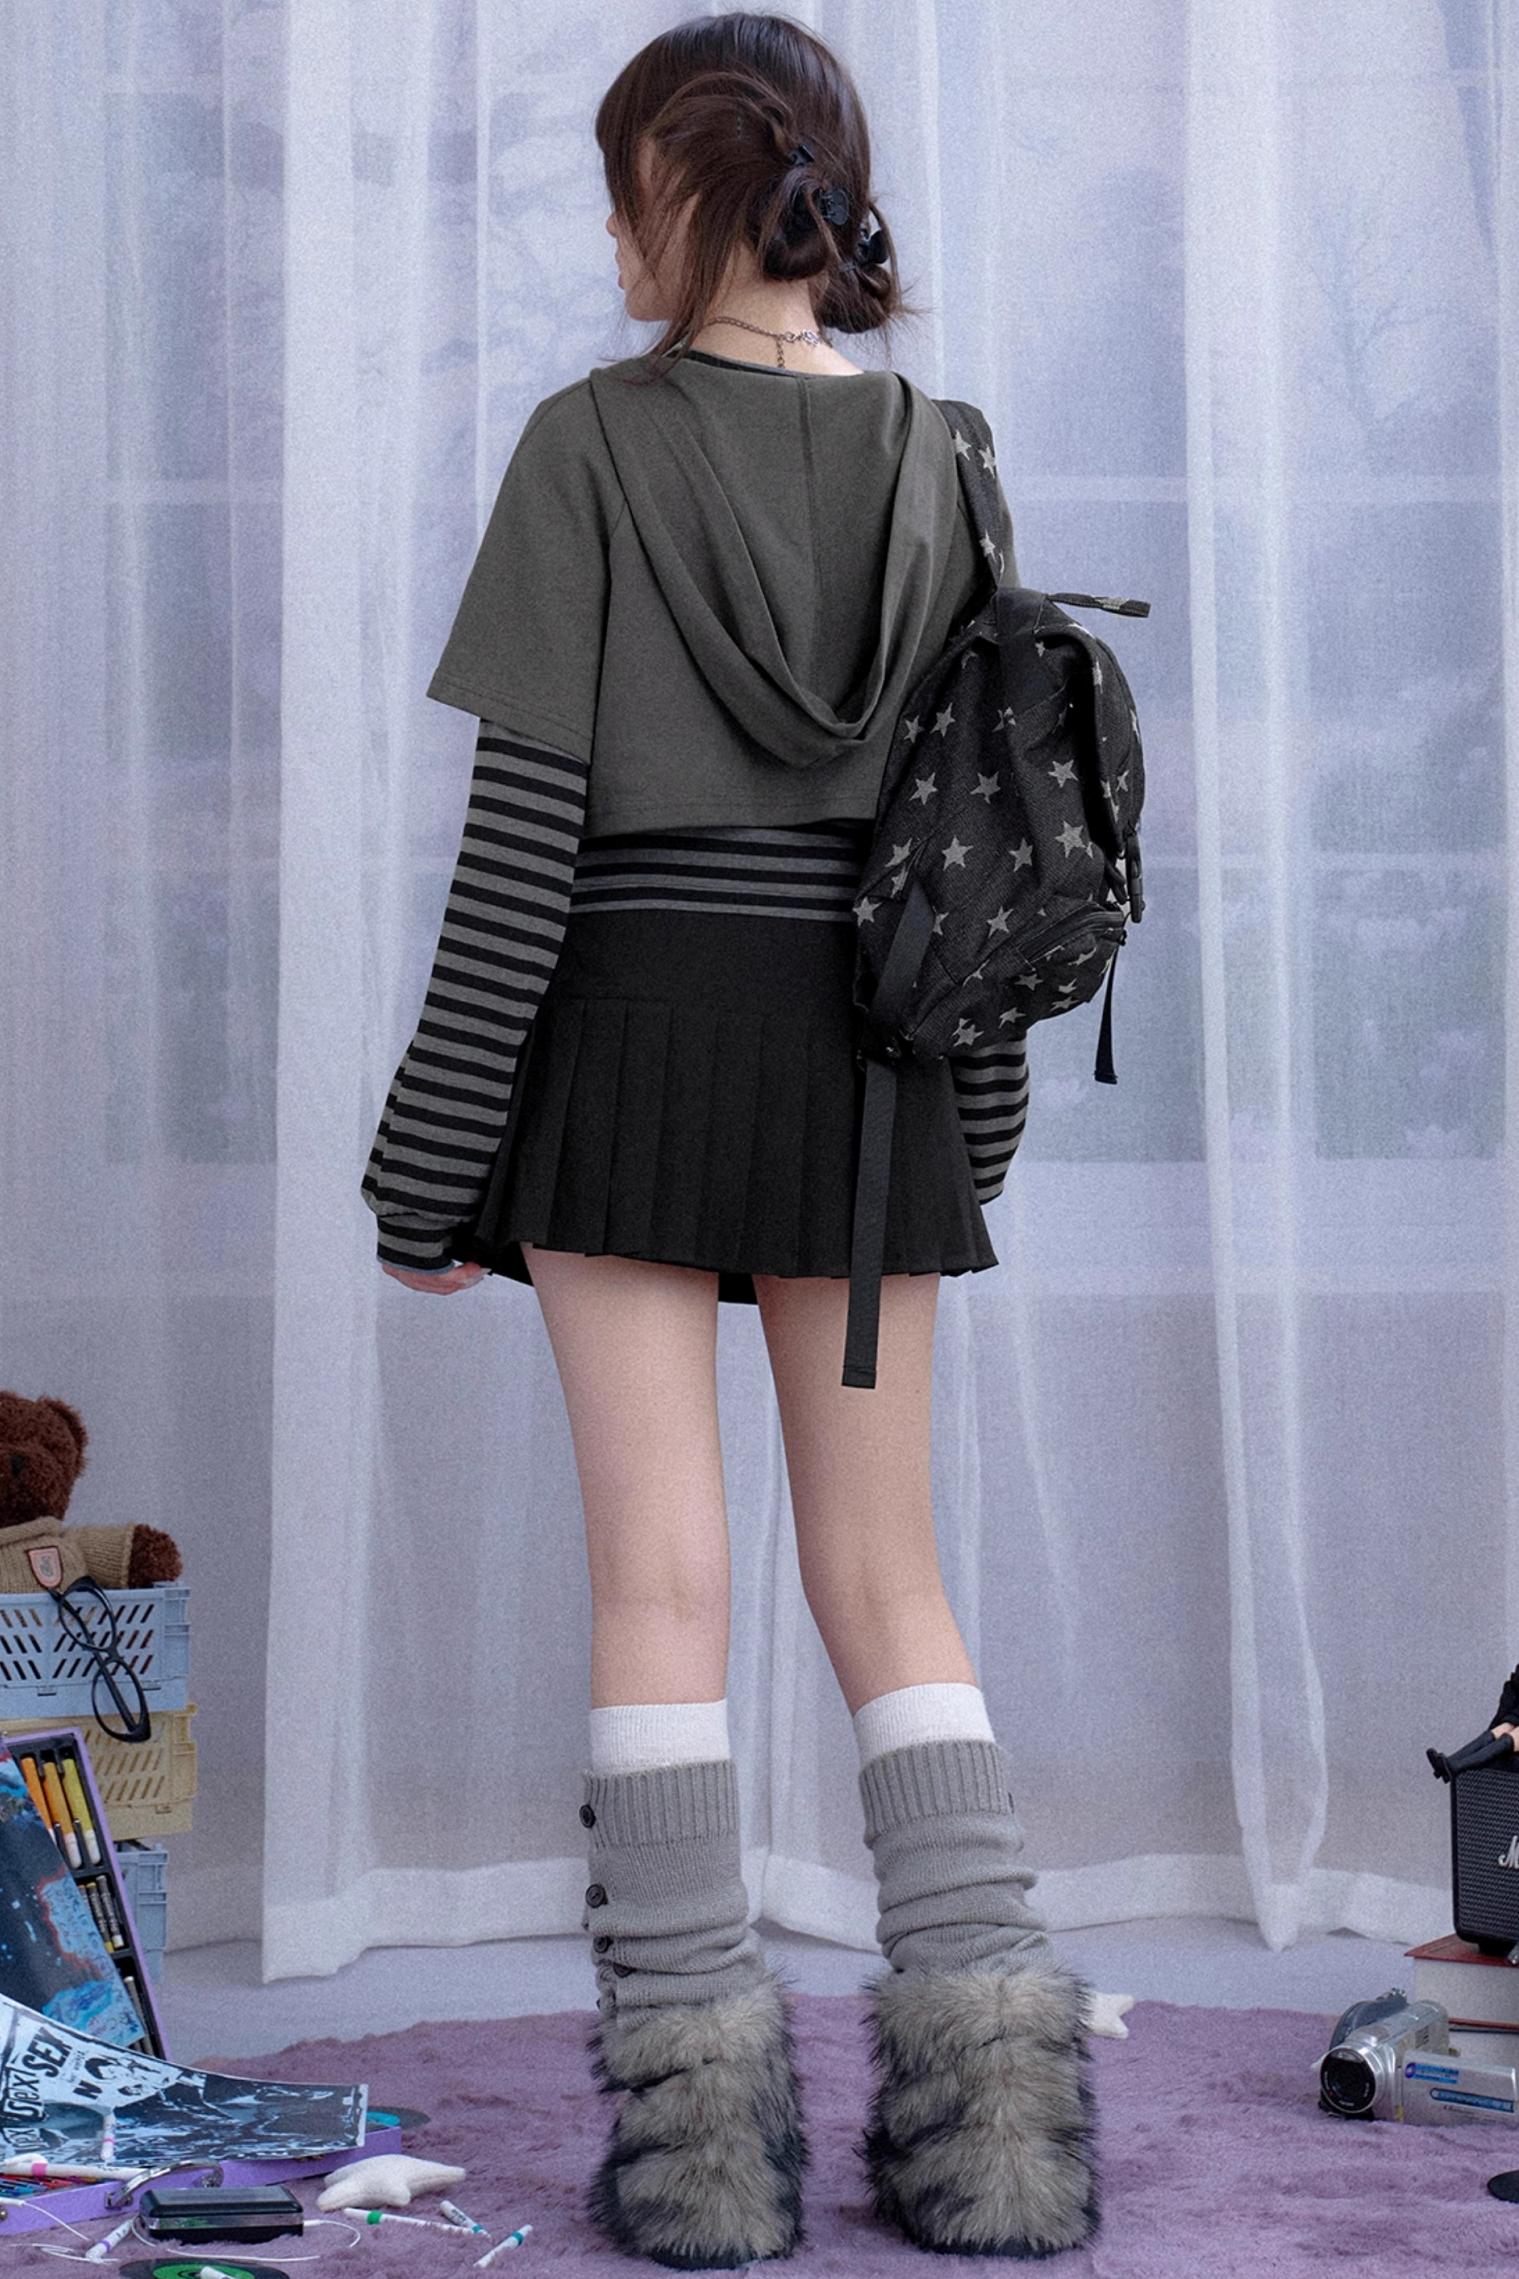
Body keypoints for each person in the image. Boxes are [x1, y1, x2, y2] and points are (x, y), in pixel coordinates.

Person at [362, 12, 1098, 2266]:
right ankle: (999, 2138)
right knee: (892, 1580)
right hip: (871, 1078)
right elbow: (982, 847)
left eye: (616, 195)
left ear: (671, 202)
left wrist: (428, 1171)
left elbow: (522, 858)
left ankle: (697, 2162)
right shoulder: (944, 456)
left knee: (658, 1586)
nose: (607, 239)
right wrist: (963, 1136)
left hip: (627, 1055)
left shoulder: (589, 443)